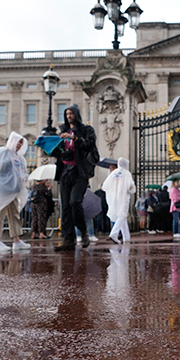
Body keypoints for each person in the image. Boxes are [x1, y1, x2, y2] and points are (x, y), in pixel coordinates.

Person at [52, 105, 99, 251]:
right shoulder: (62, 131)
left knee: (74, 202)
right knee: (65, 207)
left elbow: (90, 145)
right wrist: (48, 146)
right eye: (67, 114)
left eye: (71, 113)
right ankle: (68, 239)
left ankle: (83, 231)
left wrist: (74, 138)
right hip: (65, 172)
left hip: (80, 172)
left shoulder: (86, 130)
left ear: (76, 115)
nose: (69, 116)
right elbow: (59, 153)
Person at [0, 132, 30, 252]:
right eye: (18, 142)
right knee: (0, 215)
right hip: (2, 190)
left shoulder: (19, 157)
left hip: (13, 190)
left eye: (21, 143)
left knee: (14, 215)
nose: (19, 145)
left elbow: (22, 172)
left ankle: (16, 240)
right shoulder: (3, 152)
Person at [102, 157, 136, 244]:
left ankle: (126, 237)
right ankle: (113, 233)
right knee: (122, 215)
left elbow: (105, 186)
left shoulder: (113, 173)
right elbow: (131, 187)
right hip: (123, 197)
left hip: (113, 198)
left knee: (121, 216)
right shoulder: (126, 173)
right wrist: (131, 189)